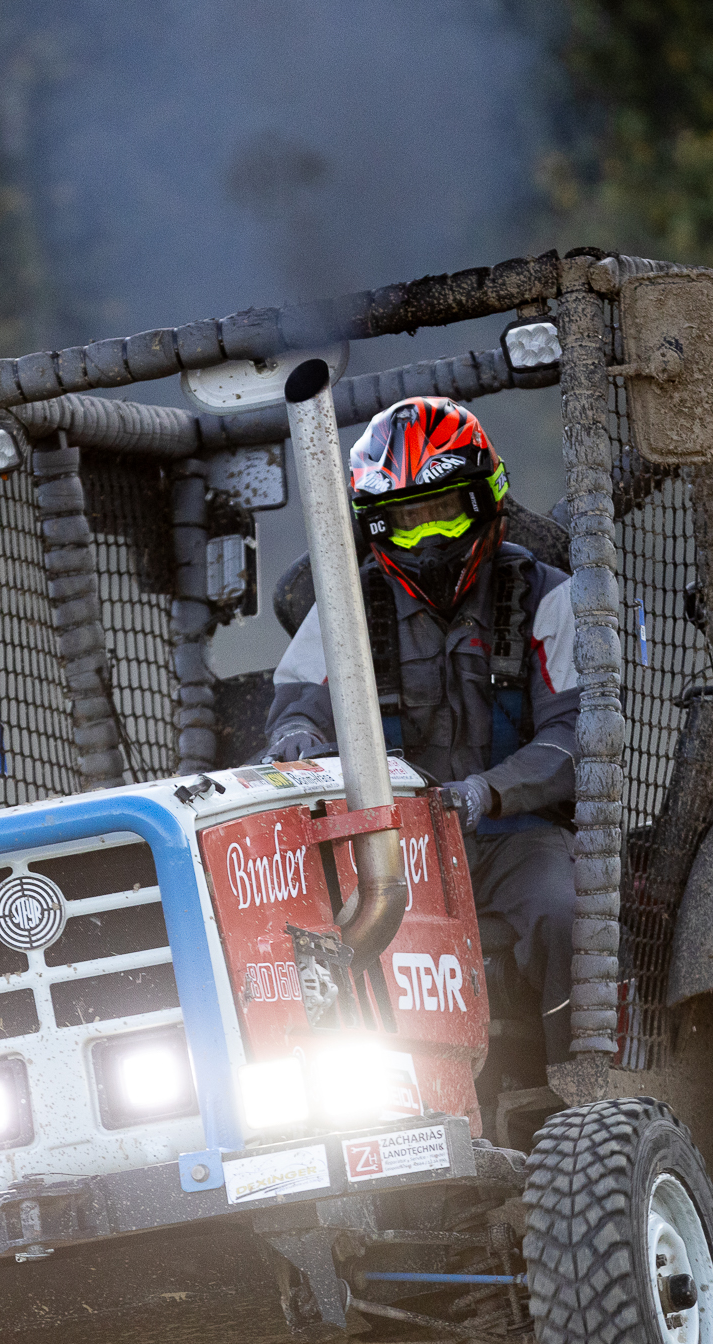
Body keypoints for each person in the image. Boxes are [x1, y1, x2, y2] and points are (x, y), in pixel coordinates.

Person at [265, 396, 578, 1065]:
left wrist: (484, 793)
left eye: (444, 510)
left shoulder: (549, 595)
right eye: (408, 520)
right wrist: (296, 742)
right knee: (295, 936)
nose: (430, 537)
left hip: (516, 840)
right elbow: (295, 713)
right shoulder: (344, 608)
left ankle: (584, 1090)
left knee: (565, 913)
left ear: (486, 499)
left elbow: (573, 739)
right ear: (377, 526)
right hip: (389, 851)